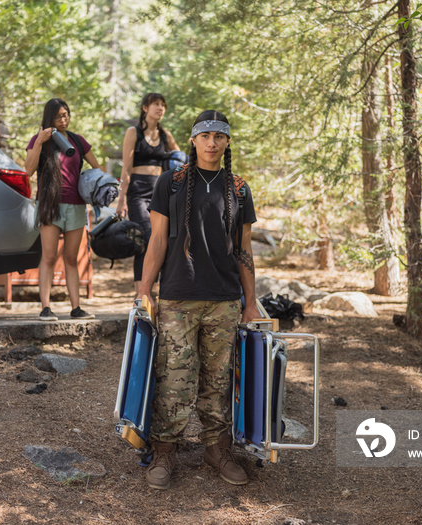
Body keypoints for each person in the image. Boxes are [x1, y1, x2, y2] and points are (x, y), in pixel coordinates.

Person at [136, 110, 259, 490]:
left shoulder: (238, 187)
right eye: (204, 135)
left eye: (219, 136)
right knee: (174, 377)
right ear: (193, 140)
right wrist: (144, 291)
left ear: (226, 142)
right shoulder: (171, 183)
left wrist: (250, 301)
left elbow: (244, 250)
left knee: (218, 381)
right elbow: (157, 241)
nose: (211, 142)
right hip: (178, 296)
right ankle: (165, 450)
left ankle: (216, 448)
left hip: (224, 300)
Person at [25, 98, 101, 321]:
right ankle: (46, 308)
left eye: (66, 114)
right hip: (49, 205)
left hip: (76, 205)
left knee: (71, 259)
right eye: (59, 116)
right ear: (49, 117)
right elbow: (28, 171)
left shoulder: (77, 141)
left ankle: (76, 308)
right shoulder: (39, 141)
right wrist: (39, 141)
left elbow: (96, 168)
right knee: (48, 257)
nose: (64, 119)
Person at [115, 93, 180, 295]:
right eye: (156, 104)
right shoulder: (133, 132)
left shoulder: (165, 135)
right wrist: (121, 199)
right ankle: (141, 293)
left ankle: (158, 290)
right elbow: (126, 168)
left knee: (163, 238)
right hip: (138, 192)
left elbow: (180, 160)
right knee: (145, 237)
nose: (160, 108)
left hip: (161, 192)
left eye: (163, 105)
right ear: (145, 108)